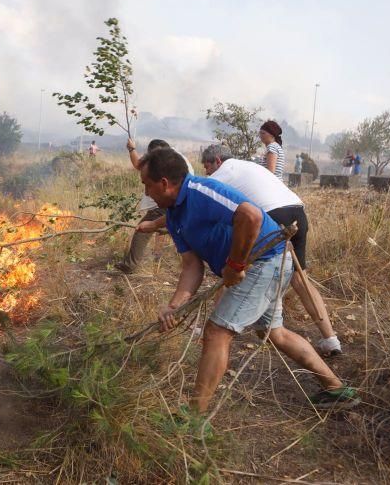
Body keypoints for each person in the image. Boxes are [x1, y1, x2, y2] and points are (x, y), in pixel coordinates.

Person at [137, 147, 358, 413]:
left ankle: (193, 418)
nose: (146, 193)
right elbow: (191, 266)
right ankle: (335, 389)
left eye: (147, 186)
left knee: (217, 332)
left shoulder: (200, 191)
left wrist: (235, 265)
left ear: (163, 183)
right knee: (274, 333)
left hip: (266, 260)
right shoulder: (174, 215)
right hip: (266, 264)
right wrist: (174, 307)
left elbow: (251, 216)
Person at [200, 145, 341, 355]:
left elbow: (199, 197)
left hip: (273, 216)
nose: (207, 172)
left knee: (230, 265)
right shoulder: (247, 166)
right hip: (297, 210)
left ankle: (214, 326)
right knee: (300, 279)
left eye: (207, 166)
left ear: (217, 161)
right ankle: (331, 339)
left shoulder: (223, 172)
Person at [115, 138, 194, 274]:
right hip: (183, 200)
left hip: (170, 200)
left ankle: (130, 265)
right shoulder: (178, 158)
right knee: (167, 227)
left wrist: (132, 149)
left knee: (143, 229)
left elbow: (138, 165)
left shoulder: (162, 162)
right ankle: (160, 256)